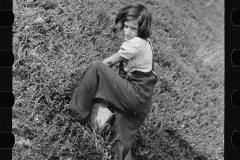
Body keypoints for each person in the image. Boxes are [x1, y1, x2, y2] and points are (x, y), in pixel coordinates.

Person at [65, 3, 158, 160]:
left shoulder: (136, 43)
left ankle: (76, 113)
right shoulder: (147, 43)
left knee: (96, 67)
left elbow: (107, 64)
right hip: (142, 104)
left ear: (142, 28)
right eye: (126, 26)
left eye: (133, 28)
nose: (127, 31)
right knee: (118, 145)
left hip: (135, 95)